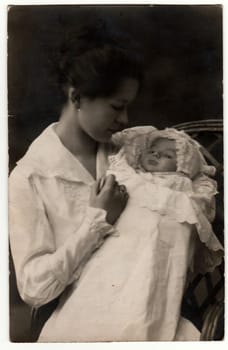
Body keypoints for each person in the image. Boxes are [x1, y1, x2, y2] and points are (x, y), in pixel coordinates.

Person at [9, 18, 143, 341]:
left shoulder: (127, 154)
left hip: (140, 304)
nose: (125, 119)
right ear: (78, 96)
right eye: (117, 107)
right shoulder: (29, 178)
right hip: (76, 322)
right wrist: (96, 223)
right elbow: (34, 287)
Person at [36, 127, 223, 341]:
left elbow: (191, 220)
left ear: (183, 167)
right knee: (97, 289)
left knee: (144, 290)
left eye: (169, 155)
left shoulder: (182, 188)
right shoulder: (128, 178)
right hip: (119, 249)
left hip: (156, 250)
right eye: (152, 150)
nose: (157, 155)